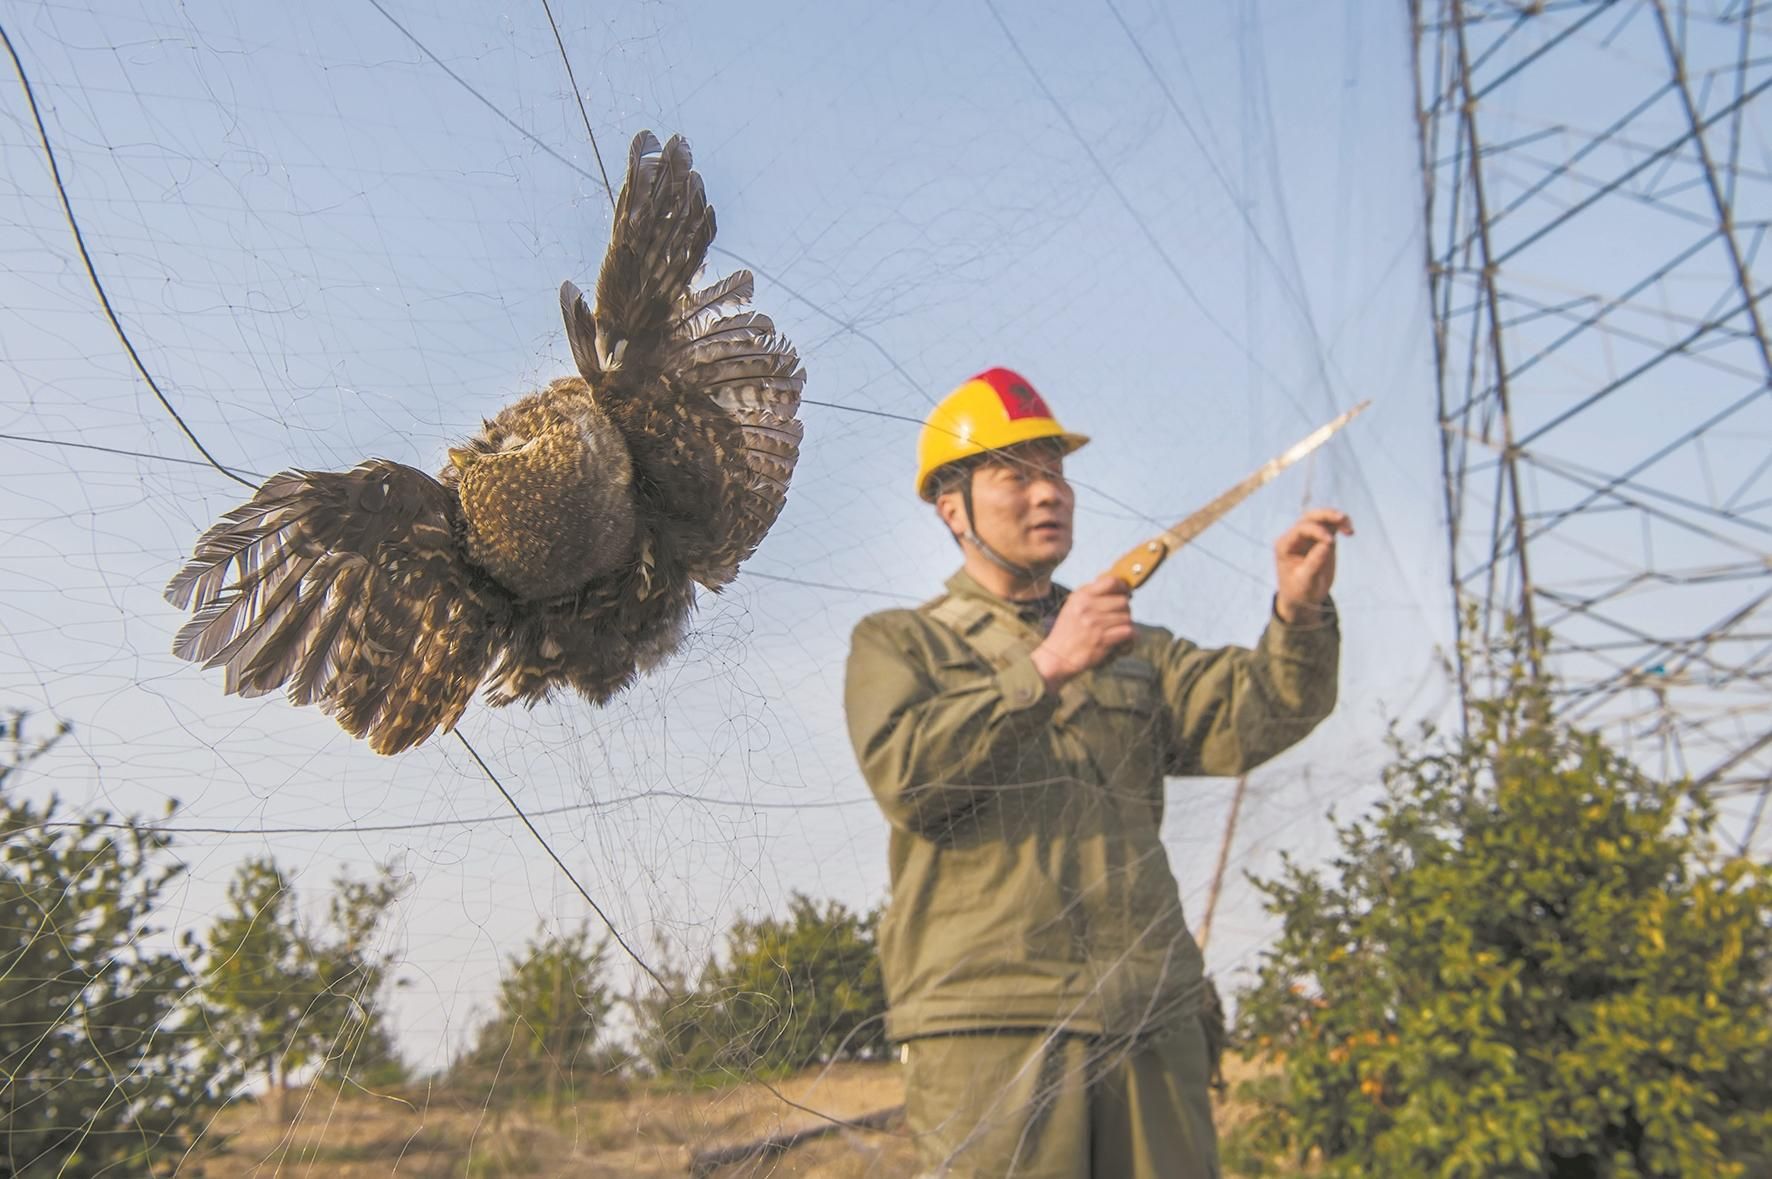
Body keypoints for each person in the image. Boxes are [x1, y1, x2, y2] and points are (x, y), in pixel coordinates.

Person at [843, 367, 1349, 1178]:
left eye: (1058, 473)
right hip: (991, 1027)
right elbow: (909, 778)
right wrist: (1045, 666)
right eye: (1016, 474)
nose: (1049, 494)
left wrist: (1298, 611)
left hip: (1150, 1012)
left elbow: (1260, 712)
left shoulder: (1129, 645)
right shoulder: (901, 643)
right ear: (951, 507)